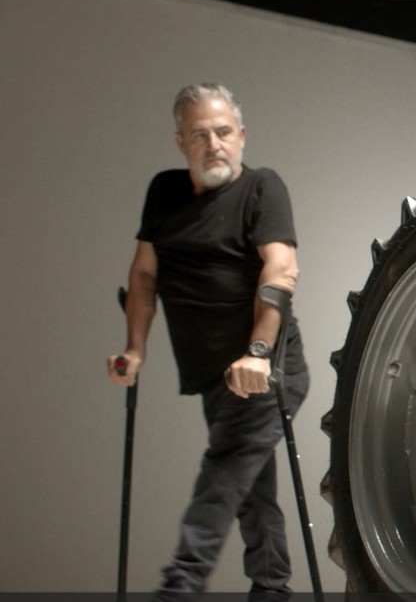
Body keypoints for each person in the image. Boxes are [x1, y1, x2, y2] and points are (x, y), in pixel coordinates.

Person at [106, 83, 308, 598]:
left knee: (224, 472)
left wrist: (258, 354)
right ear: (181, 142)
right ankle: (272, 588)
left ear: (241, 136)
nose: (213, 144)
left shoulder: (261, 187)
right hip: (213, 374)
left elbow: (280, 270)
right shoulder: (165, 192)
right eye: (199, 135)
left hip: (265, 369)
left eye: (223, 132)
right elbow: (144, 275)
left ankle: (181, 583)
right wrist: (135, 350)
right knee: (249, 489)